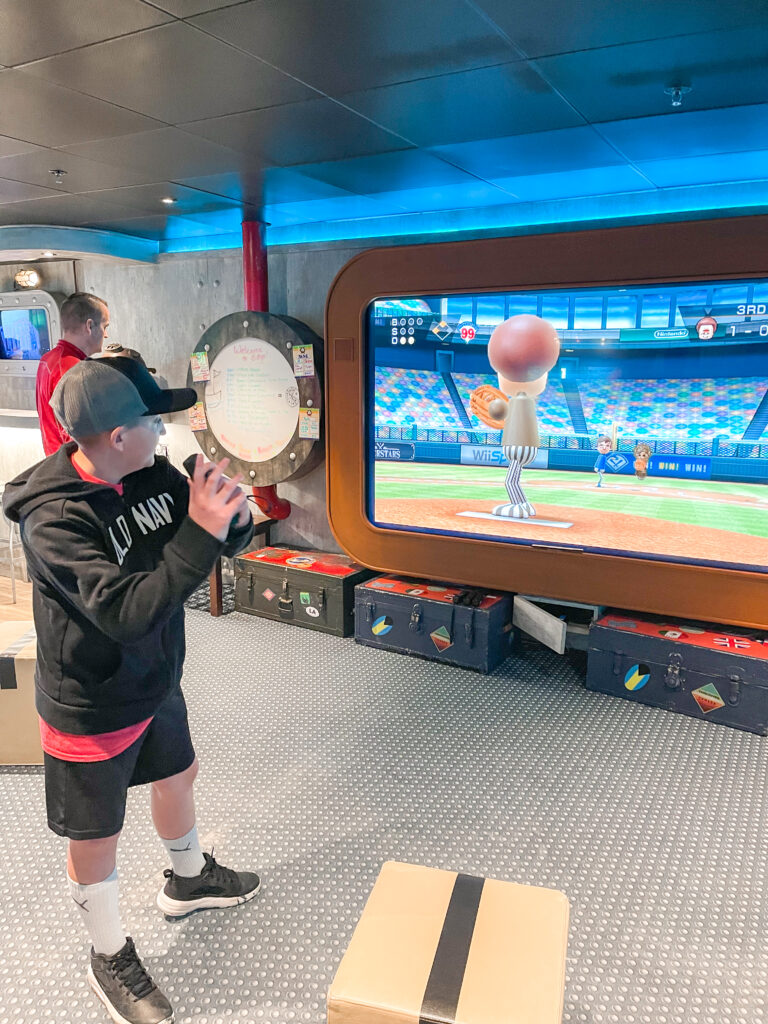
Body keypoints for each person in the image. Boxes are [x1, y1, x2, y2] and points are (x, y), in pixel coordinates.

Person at [3, 356, 260, 1024]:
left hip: (154, 678)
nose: (162, 429)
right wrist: (201, 532)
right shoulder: (52, 521)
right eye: (152, 420)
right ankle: (107, 952)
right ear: (118, 436)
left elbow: (215, 537)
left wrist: (230, 517)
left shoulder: (152, 472)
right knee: (97, 832)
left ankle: (188, 877)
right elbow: (125, 610)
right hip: (90, 701)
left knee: (180, 772)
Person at [36, 292, 110, 455]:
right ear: (90, 326)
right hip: (76, 468)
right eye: (105, 326)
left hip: (59, 465)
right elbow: (77, 434)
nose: (106, 335)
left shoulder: (49, 359)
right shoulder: (72, 368)